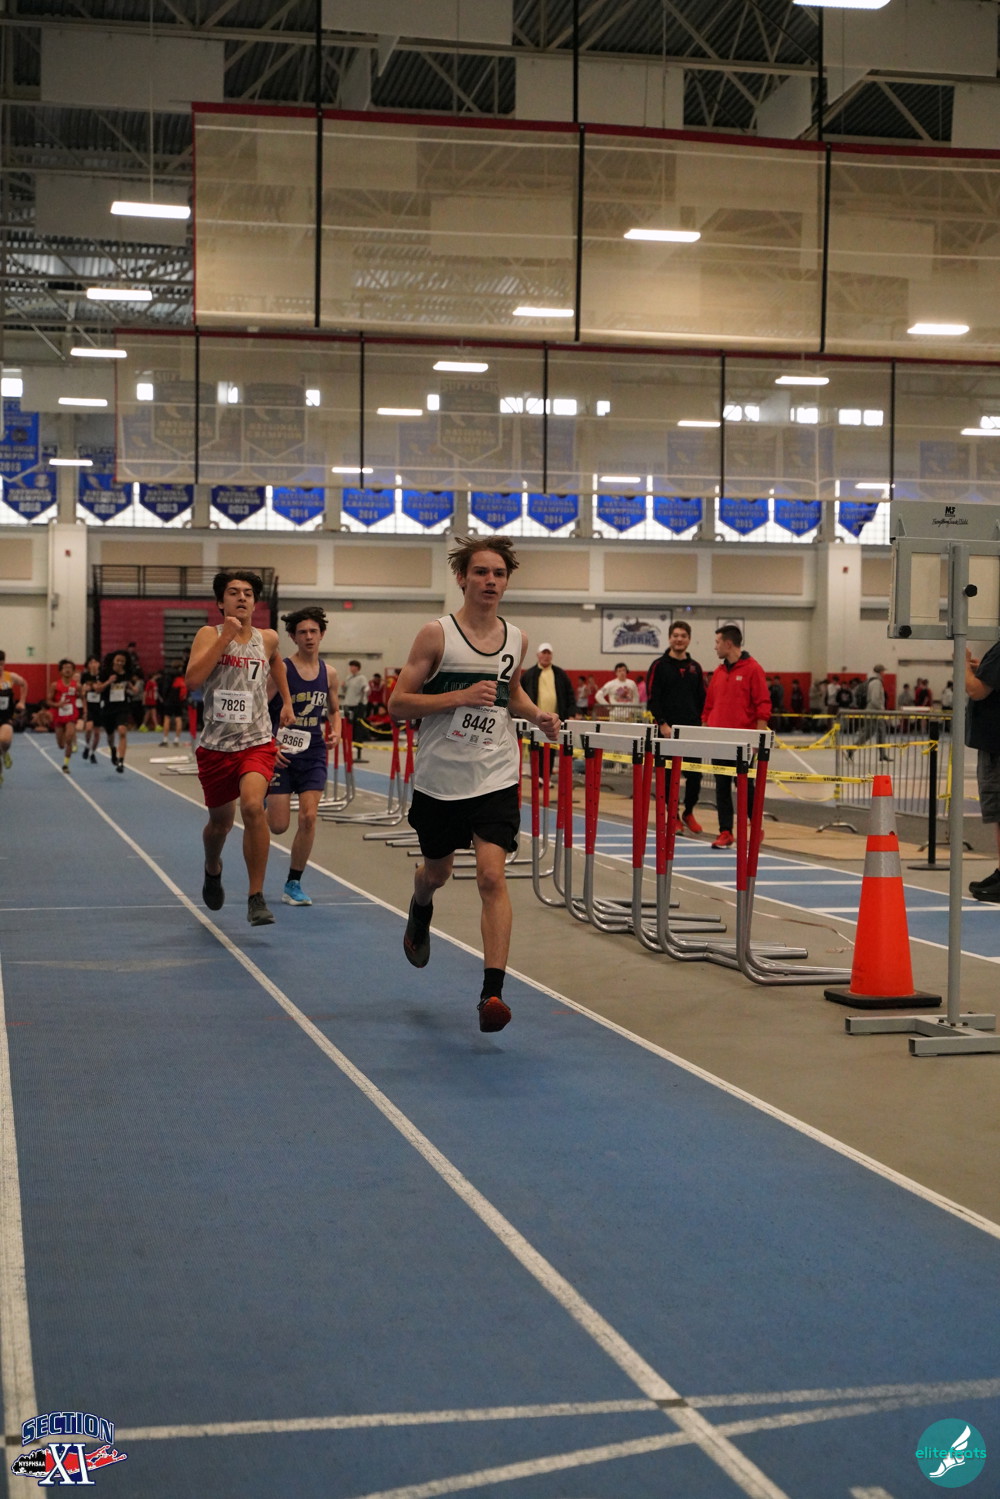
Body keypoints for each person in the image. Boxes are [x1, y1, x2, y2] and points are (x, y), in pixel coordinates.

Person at [388, 536, 560, 1033]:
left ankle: (492, 994)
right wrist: (457, 696)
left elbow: (511, 694)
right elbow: (398, 704)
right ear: (462, 578)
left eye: (498, 574)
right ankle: (421, 906)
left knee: (491, 876)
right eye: (481, 572)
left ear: (507, 582)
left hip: (495, 773)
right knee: (436, 873)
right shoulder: (435, 635)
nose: (490, 581)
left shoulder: (516, 638)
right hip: (441, 779)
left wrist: (537, 715)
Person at [185, 569, 295, 926]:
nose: (242, 597)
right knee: (220, 825)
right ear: (221, 602)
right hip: (216, 746)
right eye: (233, 592)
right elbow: (193, 680)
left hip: (256, 741)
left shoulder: (268, 638)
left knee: (251, 806)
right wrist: (225, 638)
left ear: (255, 602)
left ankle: (255, 896)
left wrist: (287, 702)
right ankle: (212, 866)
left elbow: (277, 664)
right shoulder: (209, 634)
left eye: (248, 592)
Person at [265, 605, 341, 907]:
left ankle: (293, 883)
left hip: (313, 752)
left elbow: (334, 710)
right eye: (302, 632)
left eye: (313, 631)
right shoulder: (281, 670)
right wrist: (269, 745)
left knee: (309, 817)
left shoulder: (329, 673)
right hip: (281, 755)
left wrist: (335, 731)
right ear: (293, 638)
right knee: (278, 826)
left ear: (322, 634)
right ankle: (260, 800)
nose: (308, 637)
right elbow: (260, 710)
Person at [702, 624, 770, 849]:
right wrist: (705, 728)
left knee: (745, 786)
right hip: (719, 739)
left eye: (717, 642)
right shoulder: (719, 672)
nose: (715, 647)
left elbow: (763, 705)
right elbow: (709, 705)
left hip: (743, 741)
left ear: (728, 643)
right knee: (721, 786)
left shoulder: (753, 669)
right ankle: (725, 832)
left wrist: (759, 738)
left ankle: (755, 826)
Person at [646, 620, 707, 834]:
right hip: (666, 731)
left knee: (695, 775)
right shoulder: (658, 666)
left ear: (689, 640)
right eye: (676, 635)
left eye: (683, 636)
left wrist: (701, 723)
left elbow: (702, 699)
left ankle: (688, 812)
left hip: (691, 731)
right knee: (669, 777)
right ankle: (672, 816)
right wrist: (662, 723)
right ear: (669, 638)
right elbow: (653, 698)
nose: (679, 639)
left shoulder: (695, 668)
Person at [965, 644, 1000, 902]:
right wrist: (983, 670)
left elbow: (976, 690)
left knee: (999, 812)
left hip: (996, 746)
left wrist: (962, 665)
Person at [99, 649, 142, 773]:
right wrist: (108, 682)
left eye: (122, 661)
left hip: (122, 707)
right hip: (108, 707)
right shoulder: (105, 672)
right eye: (118, 660)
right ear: (113, 660)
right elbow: (98, 689)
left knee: (122, 731)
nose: (120, 663)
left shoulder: (127, 674)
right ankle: (113, 749)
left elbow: (132, 688)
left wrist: (134, 689)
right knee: (110, 735)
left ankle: (121, 761)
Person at [520, 641, 575, 724]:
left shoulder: (560, 674)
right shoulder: (528, 675)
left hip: (557, 720)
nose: (546, 656)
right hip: (533, 720)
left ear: (552, 656)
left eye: (549, 653)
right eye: (543, 653)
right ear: (537, 655)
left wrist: (572, 714)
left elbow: (570, 695)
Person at [0, 651, 28, 785]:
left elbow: (24, 684)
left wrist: (22, 701)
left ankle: (5, 752)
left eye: (1, 664)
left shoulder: (10, 677)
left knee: (4, 741)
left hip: (6, 717)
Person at [49, 658, 80, 773]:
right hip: (59, 715)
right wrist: (57, 704)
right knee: (61, 745)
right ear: (60, 671)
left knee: (69, 737)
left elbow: (83, 698)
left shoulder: (77, 686)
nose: (67, 670)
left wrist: (85, 711)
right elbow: (48, 701)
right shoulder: (55, 685)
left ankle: (66, 765)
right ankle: (65, 745)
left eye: (70, 668)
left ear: (73, 671)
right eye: (65, 668)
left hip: (71, 715)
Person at [79, 655, 103, 763]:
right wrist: (85, 708)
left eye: (95, 662)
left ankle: (93, 753)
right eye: (91, 662)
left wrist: (95, 687)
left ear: (99, 664)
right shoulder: (85, 676)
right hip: (89, 706)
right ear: (88, 665)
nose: (93, 665)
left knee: (97, 733)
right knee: (88, 728)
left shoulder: (102, 676)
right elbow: (82, 693)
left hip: (100, 706)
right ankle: (87, 746)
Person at [158, 658, 187, 746]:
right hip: (179, 700)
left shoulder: (168, 675)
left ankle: (165, 739)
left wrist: (164, 697)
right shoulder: (182, 676)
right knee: (178, 718)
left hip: (169, 699)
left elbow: (165, 688)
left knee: (167, 718)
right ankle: (176, 740)